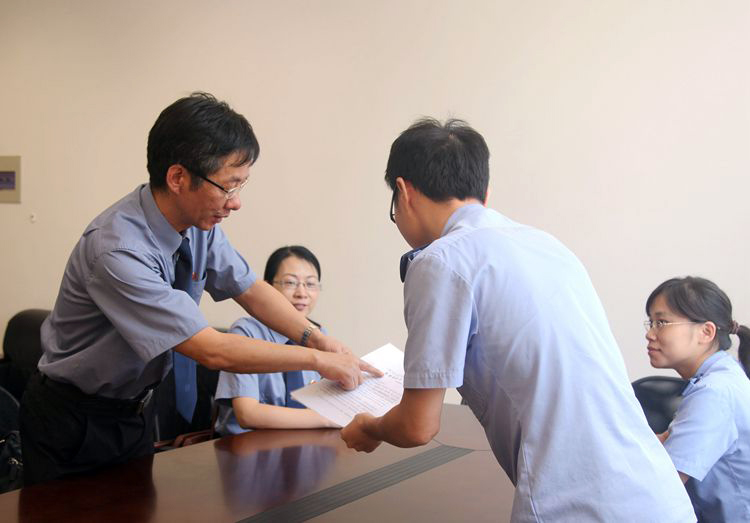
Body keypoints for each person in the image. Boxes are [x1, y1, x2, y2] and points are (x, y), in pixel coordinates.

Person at [341, 118, 696, 522]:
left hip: (579, 503)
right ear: (485, 193)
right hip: (657, 494)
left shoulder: (440, 260)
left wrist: (370, 428)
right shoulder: (547, 245)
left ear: (403, 192)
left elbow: (417, 426)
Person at [19, 92, 379, 486]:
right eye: (228, 187)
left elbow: (250, 288)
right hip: (71, 420)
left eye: (241, 186)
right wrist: (316, 361)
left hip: (132, 412)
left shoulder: (198, 225)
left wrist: (316, 338)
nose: (235, 203)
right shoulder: (118, 250)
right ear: (178, 178)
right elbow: (211, 349)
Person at [644, 276, 750, 521]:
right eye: (650, 323)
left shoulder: (714, 393)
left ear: (706, 332)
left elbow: (659, 488)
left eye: (661, 322)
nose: (649, 334)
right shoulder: (723, 378)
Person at [214, 246, 337, 435]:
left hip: (303, 443)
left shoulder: (319, 337)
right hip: (246, 446)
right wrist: (326, 419)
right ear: (267, 288)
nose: (302, 293)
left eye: (310, 284)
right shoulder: (246, 332)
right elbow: (248, 414)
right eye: (290, 282)